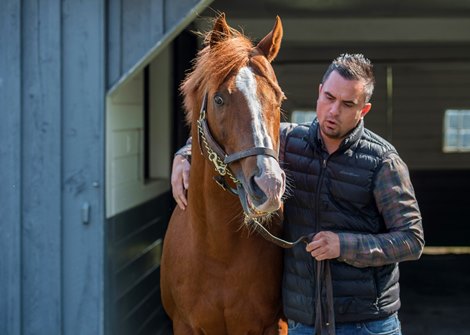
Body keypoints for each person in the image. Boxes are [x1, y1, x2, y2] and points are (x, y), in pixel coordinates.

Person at [171, 53, 424, 335]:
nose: (333, 111)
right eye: (329, 97)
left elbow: (411, 240)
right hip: (304, 324)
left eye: (347, 104)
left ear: (363, 110)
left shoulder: (382, 162)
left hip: (367, 324)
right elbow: (238, 129)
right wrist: (184, 155)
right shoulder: (289, 142)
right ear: (319, 92)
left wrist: (344, 245)